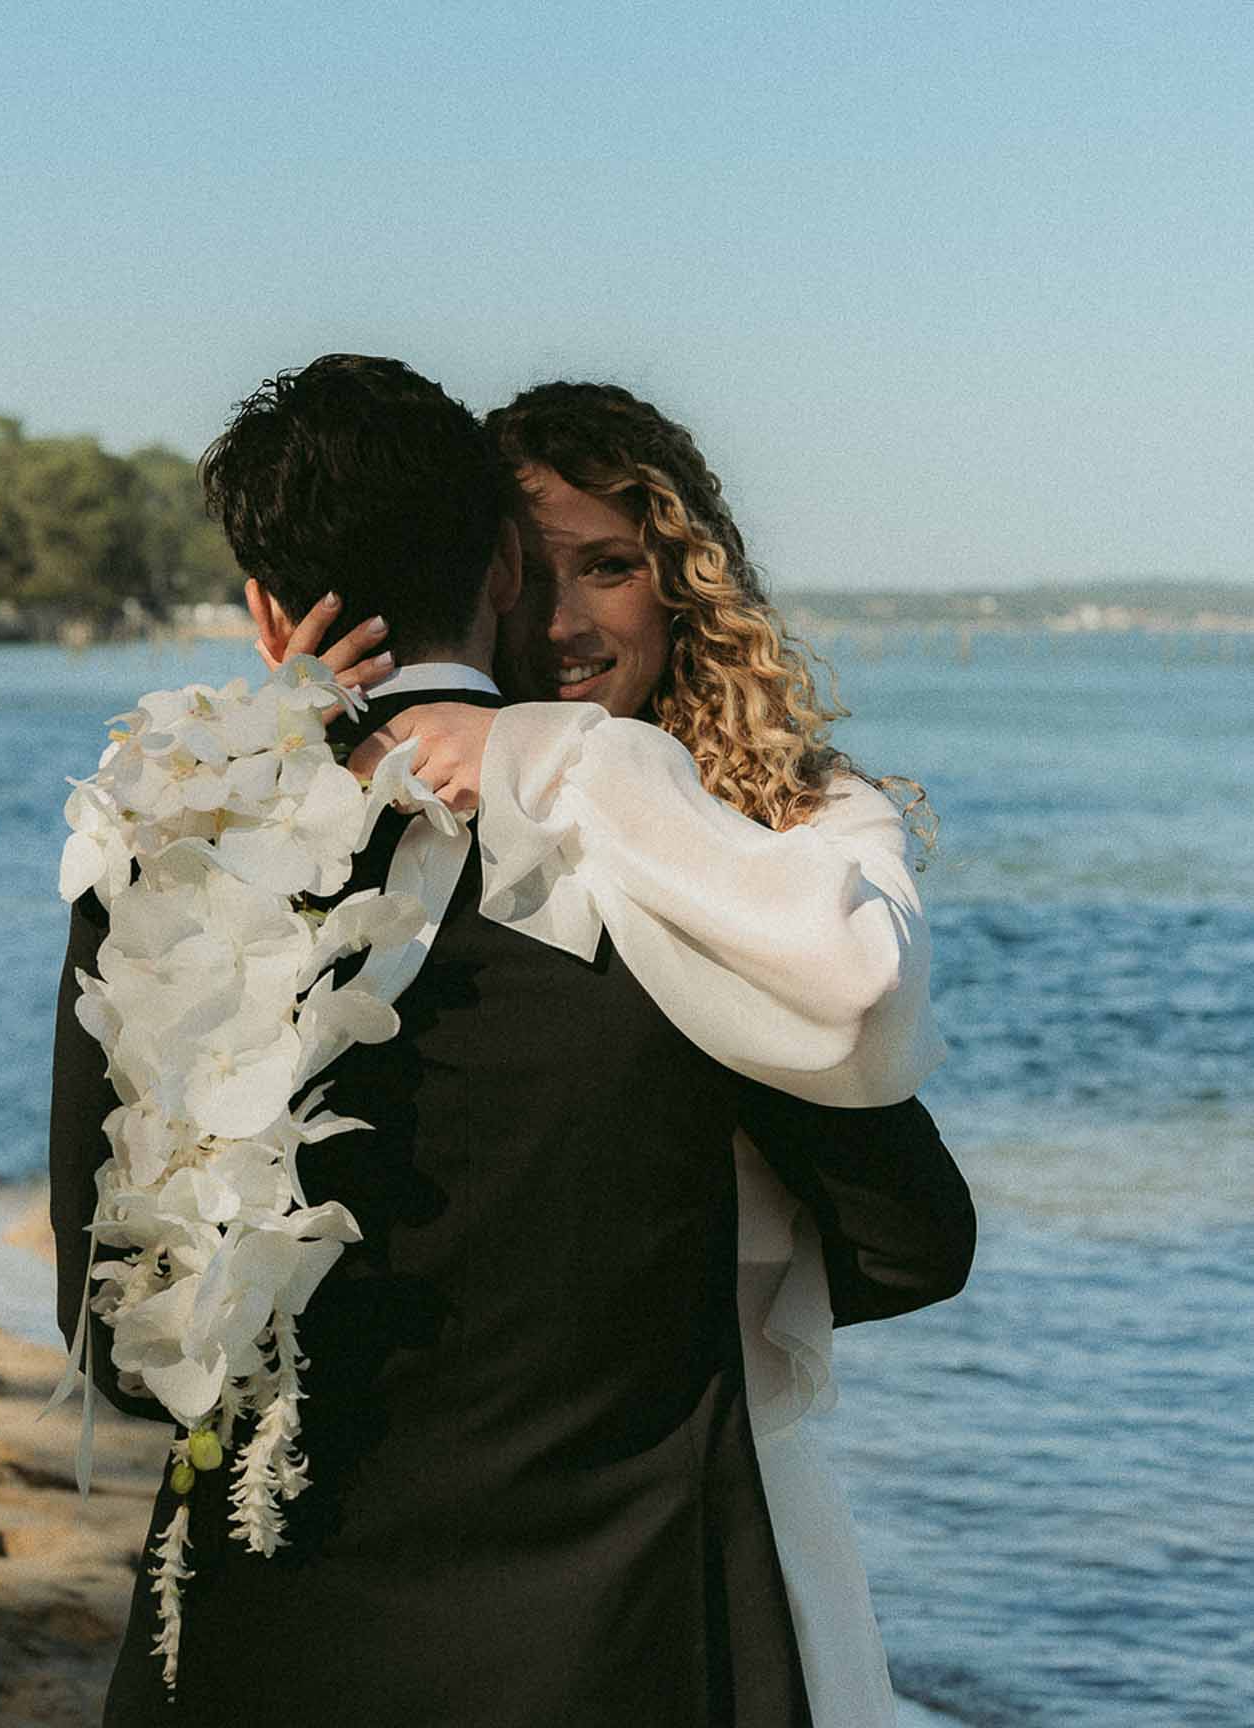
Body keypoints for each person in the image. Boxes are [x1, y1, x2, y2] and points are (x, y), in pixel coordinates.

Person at [49, 355, 974, 1728]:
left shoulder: (162, 855)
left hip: (265, 1647)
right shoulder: (682, 866)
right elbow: (910, 1240)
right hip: (623, 1638)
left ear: (263, 611)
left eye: (608, 565)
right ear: (491, 569)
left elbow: (124, 1347)